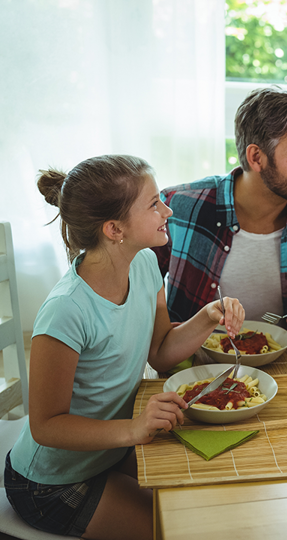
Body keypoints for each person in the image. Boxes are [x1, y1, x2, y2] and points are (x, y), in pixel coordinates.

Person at [4, 155, 244, 539]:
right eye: (153, 204)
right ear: (115, 228)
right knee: (179, 528)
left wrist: (207, 316)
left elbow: (161, 351)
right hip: (50, 482)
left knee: (209, 502)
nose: (167, 210)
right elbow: (46, 426)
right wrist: (134, 429)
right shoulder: (66, 310)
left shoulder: (146, 263)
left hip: (111, 452)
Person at [153, 86, 287, 336]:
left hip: (281, 362)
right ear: (256, 157)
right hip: (192, 366)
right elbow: (141, 288)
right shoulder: (177, 206)